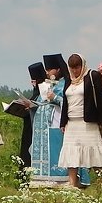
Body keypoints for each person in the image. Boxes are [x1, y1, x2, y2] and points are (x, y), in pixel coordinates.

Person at [52, 54, 102, 187]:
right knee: (71, 152)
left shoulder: (93, 76)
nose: (74, 71)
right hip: (71, 122)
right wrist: (63, 122)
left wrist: (101, 121)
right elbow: (66, 102)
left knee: (95, 150)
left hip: (88, 122)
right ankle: (73, 183)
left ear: (82, 65)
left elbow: (101, 100)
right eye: (72, 68)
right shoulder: (69, 78)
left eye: (77, 67)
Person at [30, 53, 71, 184]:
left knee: (56, 148)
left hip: (58, 121)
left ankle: (60, 178)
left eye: (49, 70)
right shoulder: (49, 84)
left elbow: (71, 102)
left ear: (58, 69)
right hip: (43, 124)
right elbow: (43, 100)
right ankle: (43, 177)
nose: (47, 73)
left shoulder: (66, 83)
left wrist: (55, 98)